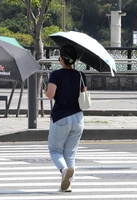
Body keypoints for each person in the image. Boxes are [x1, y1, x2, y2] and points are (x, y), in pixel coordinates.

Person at [45, 45, 87, 192]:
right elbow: (84, 95)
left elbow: (50, 95)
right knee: (70, 152)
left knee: (55, 150)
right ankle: (68, 183)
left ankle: (63, 170)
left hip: (61, 117)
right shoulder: (80, 75)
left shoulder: (56, 74)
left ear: (61, 58)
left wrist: (46, 89)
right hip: (77, 118)